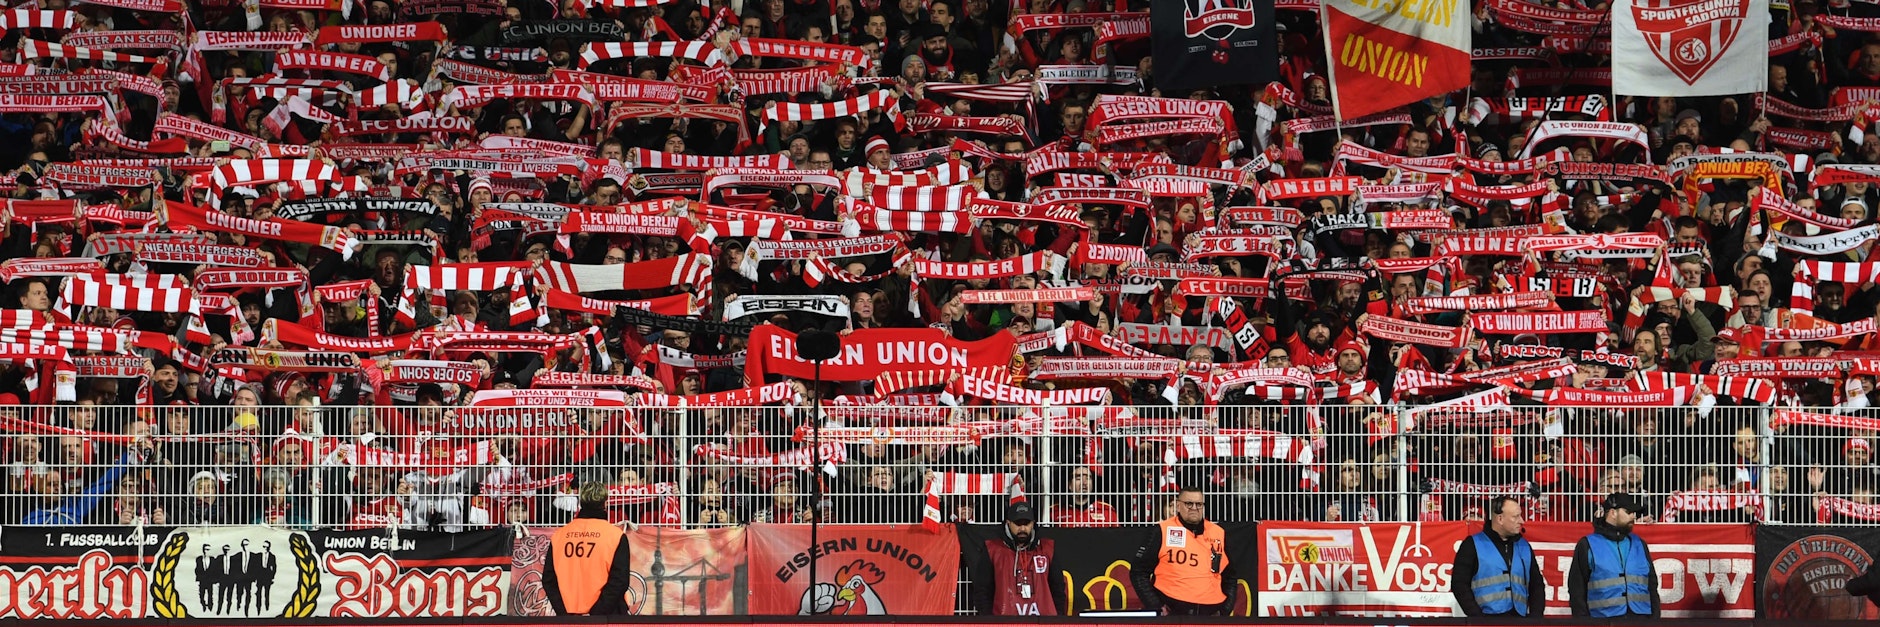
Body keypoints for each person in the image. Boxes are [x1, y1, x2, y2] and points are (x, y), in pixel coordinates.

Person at [1130, 486, 1237, 615]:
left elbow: (1230, 577)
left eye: (1198, 504)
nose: (1194, 508)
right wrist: (1156, 606)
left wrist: (1224, 610)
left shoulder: (1218, 533)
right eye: (1188, 504)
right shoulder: (1162, 530)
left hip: (1211, 614)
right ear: (1178, 506)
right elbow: (1138, 572)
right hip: (1173, 613)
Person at [542, 482, 634, 616]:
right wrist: (595, 615)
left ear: (580, 503)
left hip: (569, 617)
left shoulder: (559, 536)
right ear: (605, 504)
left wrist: (564, 613)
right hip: (607, 617)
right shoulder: (616, 536)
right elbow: (619, 581)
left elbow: (549, 580)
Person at [1568, 492, 1659, 618]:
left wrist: (1655, 619)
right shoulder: (1587, 544)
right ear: (1612, 513)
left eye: (1634, 513)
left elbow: (1652, 585)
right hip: (1602, 620)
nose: (1633, 516)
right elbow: (1577, 590)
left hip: (1640, 620)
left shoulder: (1639, 544)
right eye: (1628, 512)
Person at [1451, 496, 1544, 617]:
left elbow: (1537, 585)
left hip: (1520, 622)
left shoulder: (1524, 546)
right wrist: (1478, 618)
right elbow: (1459, 584)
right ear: (1500, 519)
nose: (1521, 521)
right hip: (1487, 621)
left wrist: (1535, 619)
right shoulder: (1472, 544)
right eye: (1516, 516)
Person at [969, 500, 1064, 616]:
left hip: (1044, 621)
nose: (1023, 528)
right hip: (1004, 622)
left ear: (1033, 523)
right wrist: (990, 622)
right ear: (1008, 523)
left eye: (1027, 523)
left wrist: (1057, 619)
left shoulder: (1047, 549)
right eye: (1018, 523)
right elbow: (982, 591)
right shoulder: (992, 550)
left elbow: (1058, 590)